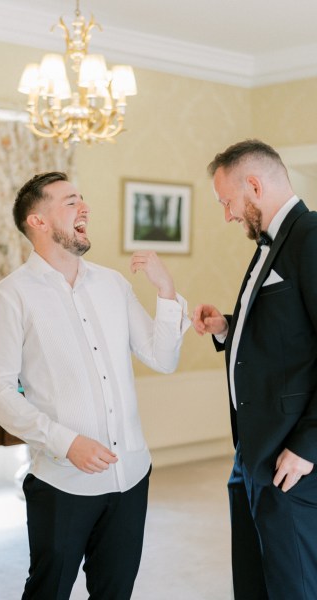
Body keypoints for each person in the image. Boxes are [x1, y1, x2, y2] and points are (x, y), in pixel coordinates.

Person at [0, 171, 190, 600]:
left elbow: (162, 359)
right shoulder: (9, 297)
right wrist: (66, 441)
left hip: (131, 476)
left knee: (115, 592)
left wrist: (166, 291)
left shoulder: (113, 284)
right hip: (62, 482)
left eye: (82, 199)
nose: (85, 208)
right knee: (48, 591)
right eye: (71, 201)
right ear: (37, 221)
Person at [192, 139, 317, 600]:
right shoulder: (270, 242)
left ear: (254, 185)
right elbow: (288, 336)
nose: (227, 214)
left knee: (293, 584)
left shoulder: (311, 235)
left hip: (292, 458)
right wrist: (227, 328)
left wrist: (307, 445)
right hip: (251, 451)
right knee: (253, 580)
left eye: (227, 202)